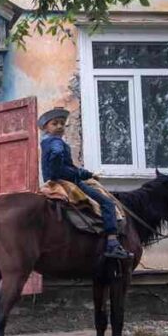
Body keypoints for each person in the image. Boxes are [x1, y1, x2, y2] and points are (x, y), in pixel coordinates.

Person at [38, 107, 132, 260]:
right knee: (107, 203)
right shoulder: (55, 142)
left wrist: (88, 174)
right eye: (55, 124)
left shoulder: (46, 143)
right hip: (67, 182)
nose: (60, 126)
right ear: (45, 128)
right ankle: (112, 244)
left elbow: (69, 167)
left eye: (62, 123)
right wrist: (80, 172)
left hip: (53, 181)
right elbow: (65, 167)